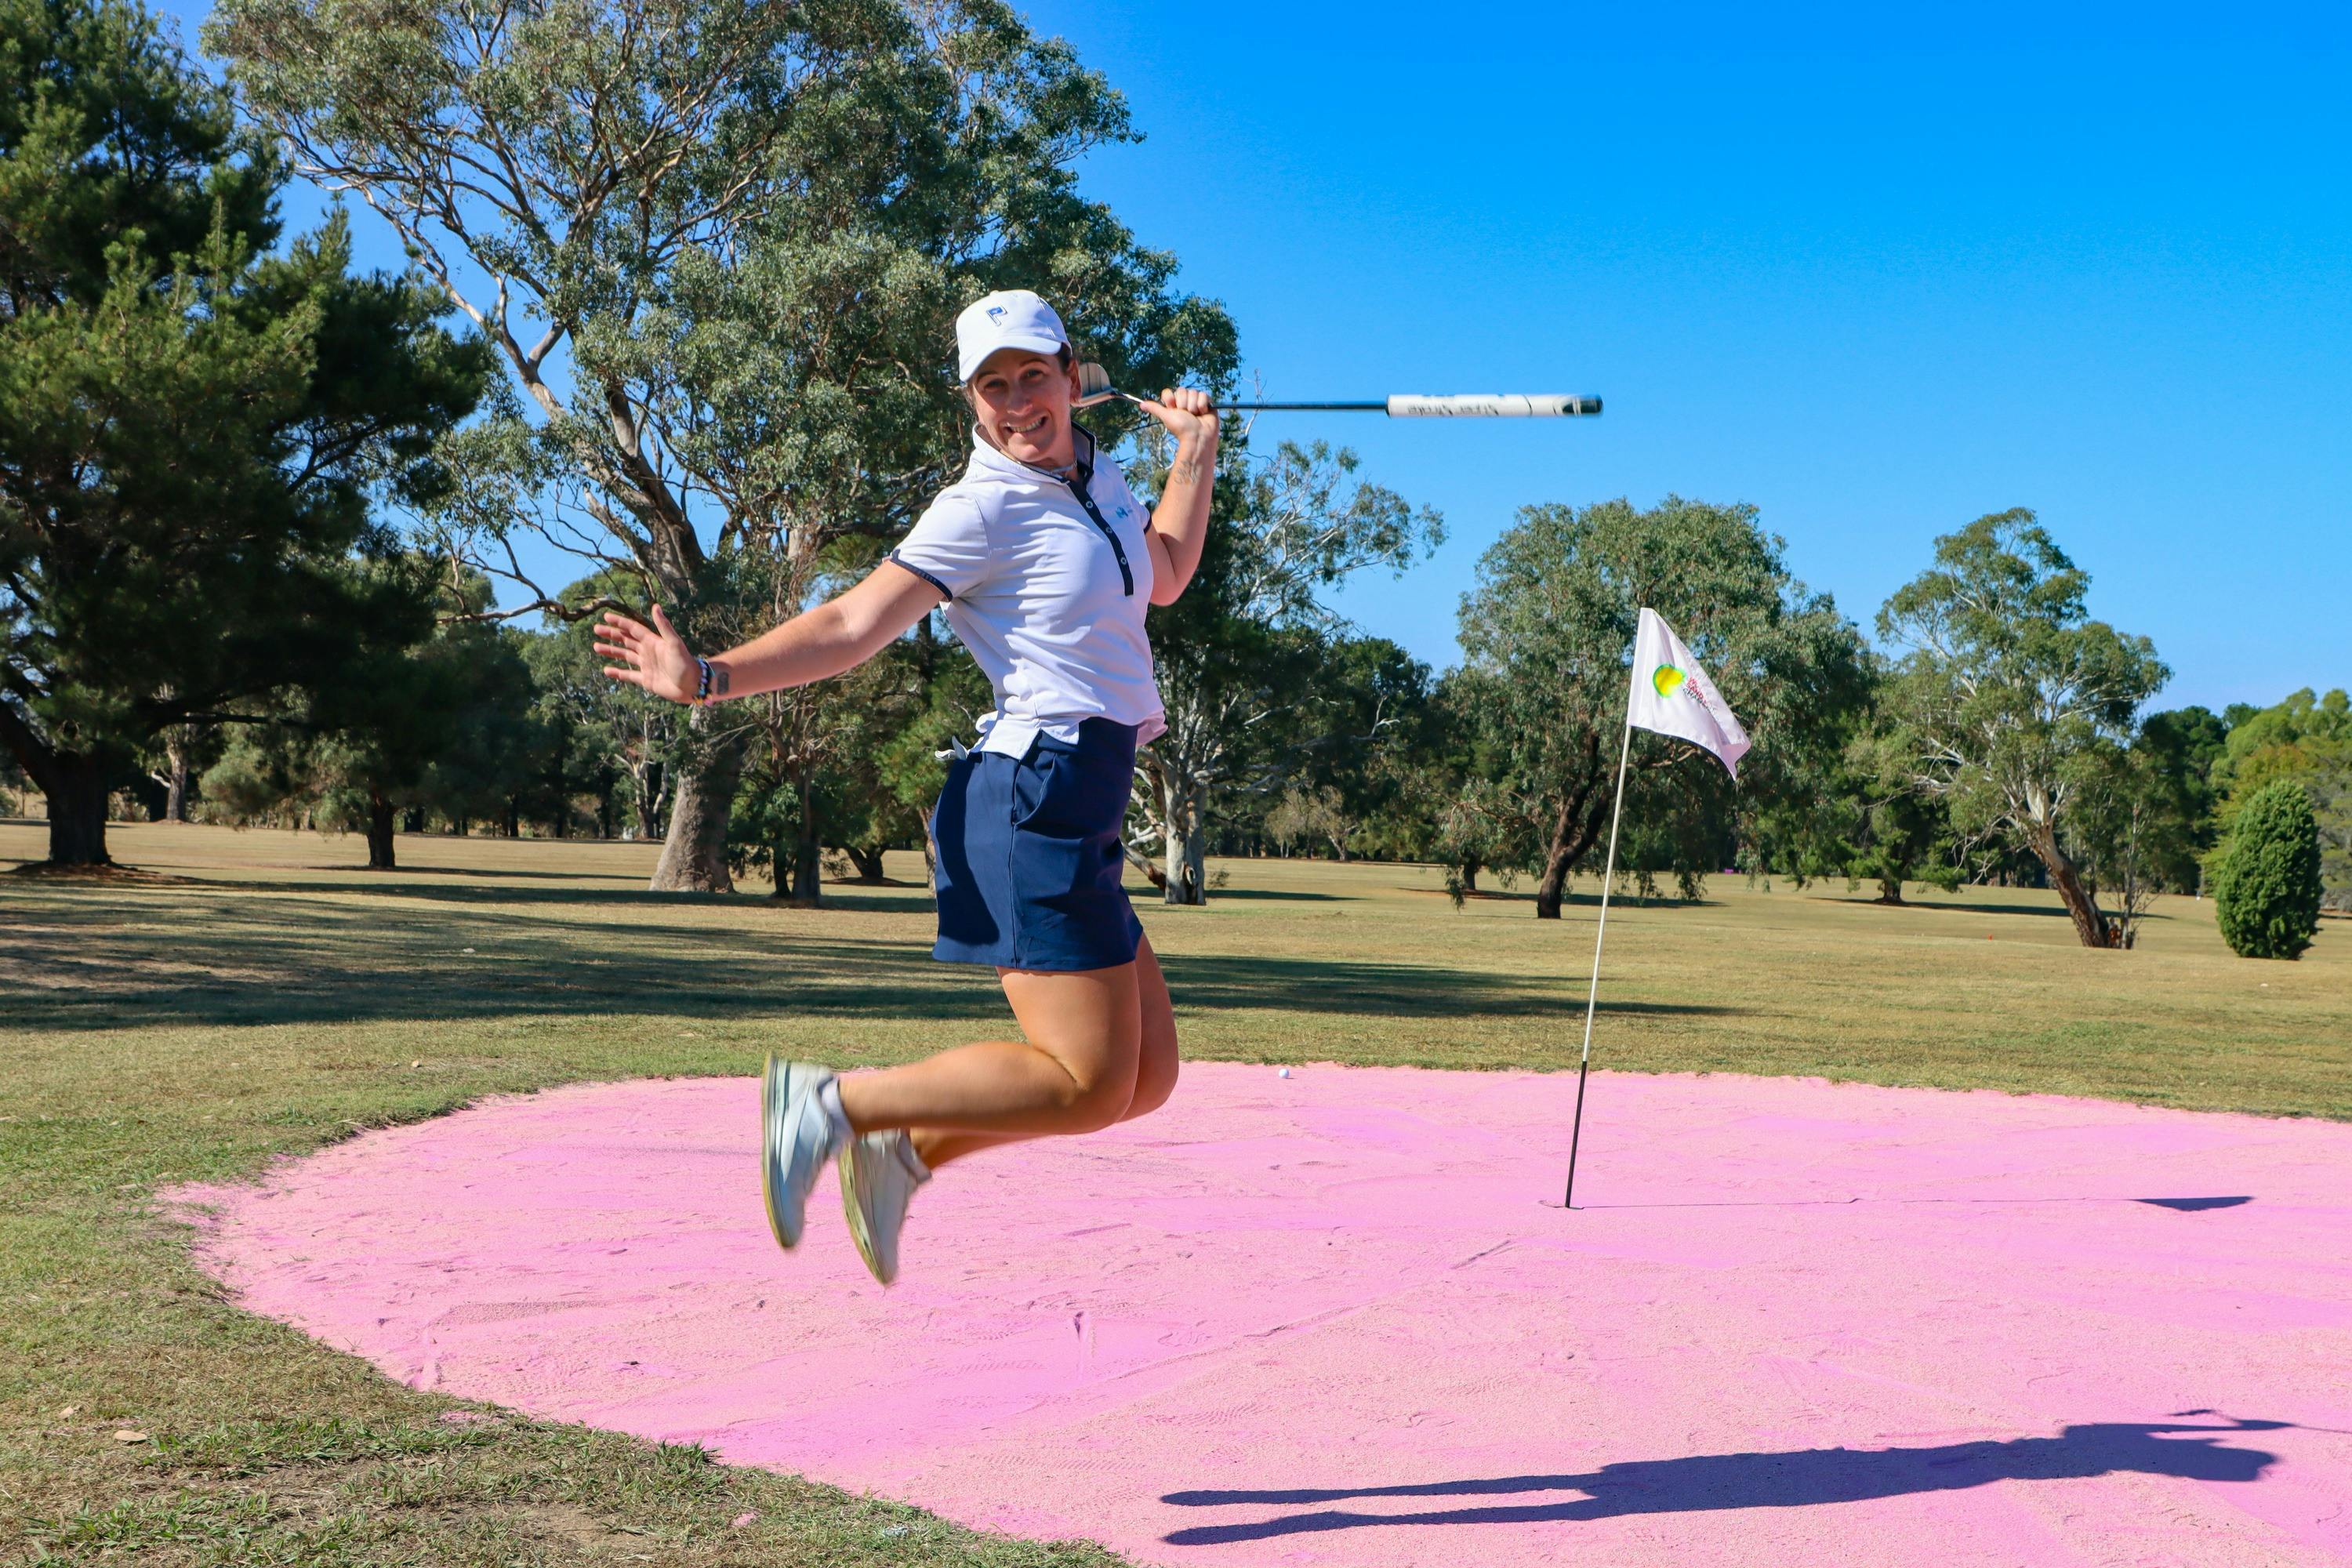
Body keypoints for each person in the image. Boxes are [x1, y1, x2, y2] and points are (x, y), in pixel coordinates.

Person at [595, 289, 1218, 1285]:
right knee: (1091, 1084)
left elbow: (1171, 570)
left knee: (1146, 1080)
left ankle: (902, 1152)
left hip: (1085, 801)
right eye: (992, 385)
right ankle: (833, 1106)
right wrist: (706, 676)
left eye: (1032, 375)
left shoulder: (1100, 481)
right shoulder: (981, 506)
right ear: (972, 403)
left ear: (1070, 372)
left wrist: (1195, 450)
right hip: (1032, 797)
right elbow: (851, 625)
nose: (1017, 401)